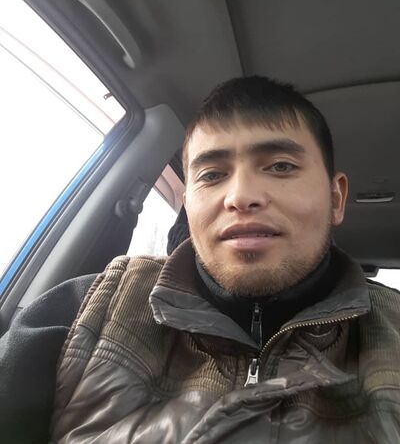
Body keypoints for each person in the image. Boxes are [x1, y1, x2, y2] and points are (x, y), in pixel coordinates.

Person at [1, 76, 400, 443]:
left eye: (281, 166)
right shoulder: (88, 308)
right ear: (187, 204)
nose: (241, 196)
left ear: (336, 198)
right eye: (211, 175)